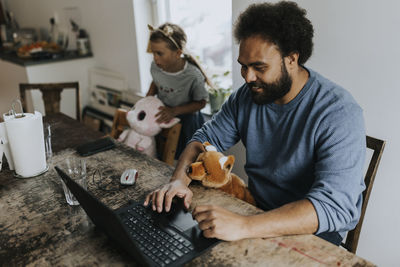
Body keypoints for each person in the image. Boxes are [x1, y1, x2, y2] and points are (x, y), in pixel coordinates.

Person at [144, 1, 366, 246]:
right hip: (255, 211)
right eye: (243, 66)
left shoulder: (339, 112)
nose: (248, 78)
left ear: (291, 59)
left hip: (314, 235)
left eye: (259, 67)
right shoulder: (247, 96)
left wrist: (244, 225)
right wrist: (178, 181)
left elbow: (333, 207)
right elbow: (205, 138)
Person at [146, 23, 211, 159]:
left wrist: (174, 111)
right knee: (163, 156)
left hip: (187, 122)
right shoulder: (155, 67)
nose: (155, 58)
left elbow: (201, 103)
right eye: (153, 53)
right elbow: (156, 81)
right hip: (164, 116)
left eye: (160, 53)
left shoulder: (193, 75)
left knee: (186, 160)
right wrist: (147, 99)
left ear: (178, 53)